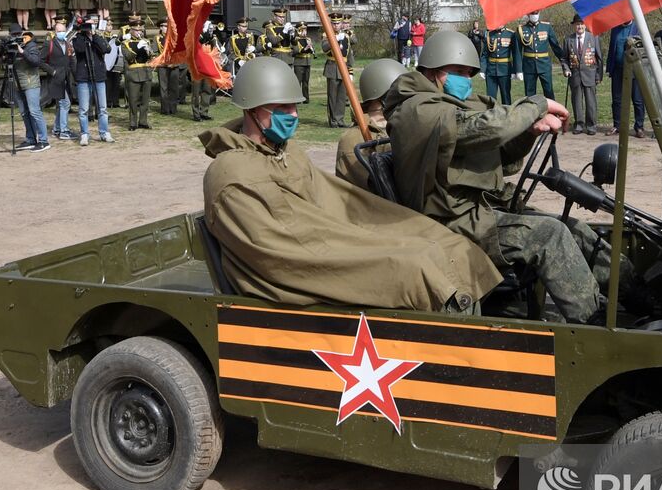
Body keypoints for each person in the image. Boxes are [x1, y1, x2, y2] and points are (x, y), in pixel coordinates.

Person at [203, 57, 500, 312]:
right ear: (251, 110)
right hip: (296, 266)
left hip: (328, 239)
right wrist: (364, 250)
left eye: (294, 107)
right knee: (416, 266)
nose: (293, 116)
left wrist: (387, 232)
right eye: (281, 108)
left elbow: (334, 201)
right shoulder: (230, 174)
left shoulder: (289, 153)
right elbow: (273, 252)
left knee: (445, 242)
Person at [382, 32, 624, 324]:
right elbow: (489, 128)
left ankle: (643, 297)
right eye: (458, 73)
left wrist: (529, 132)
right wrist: (536, 105)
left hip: (475, 210)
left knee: (574, 229)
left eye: (469, 74)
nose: (466, 80)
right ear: (433, 72)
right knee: (550, 234)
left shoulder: (445, 104)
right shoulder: (417, 111)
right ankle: (596, 328)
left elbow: (501, 158)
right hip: (448, 221)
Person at [335, 58, 406, 189]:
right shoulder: (354, 139)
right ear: (385, 98)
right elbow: (376, 186)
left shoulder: (405, 126)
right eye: (400, 95)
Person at [5, 26, 49, 152]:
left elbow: (36, 61)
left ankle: (43, 141)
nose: (16, 36)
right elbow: (4, 64)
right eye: (13, 34)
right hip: (18, 84)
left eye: (18, 34)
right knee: (24, 112)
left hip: (31, 84)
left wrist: (22, 51)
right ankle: (30, 139)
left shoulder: (31, 46)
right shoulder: (10, 45)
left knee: (35, 111)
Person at [71, 17, 113, 146]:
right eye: (87, 26)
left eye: (90, 26)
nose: (88, 28)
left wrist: (94, 35)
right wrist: (83, 34)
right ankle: (84, 134)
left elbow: (106, 49)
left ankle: (104, 132)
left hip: (99, 76)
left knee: (102, 108)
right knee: (83, 109)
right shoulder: (77, 38)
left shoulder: (97, 37)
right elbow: (80, 49)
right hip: (84, 77)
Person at [606, 19, 647, 138]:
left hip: (634, 70)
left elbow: (643, 49)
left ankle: (639, 127)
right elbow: (611, 49)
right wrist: (609, 68)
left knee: (638, 100)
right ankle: (617, 125)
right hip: (618, 70)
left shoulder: (638, 27)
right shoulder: (615, 28)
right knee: (617, 100)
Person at [564, 16, 602, 135]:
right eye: (577, 24)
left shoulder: (593, 37)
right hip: (575, 75)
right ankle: (579, 124)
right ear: (573, 26)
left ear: (585, 25)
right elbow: (563, 58)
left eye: (581, 24)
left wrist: (598, 75)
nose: (579, 26)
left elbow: (599, 58)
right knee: (576, 101)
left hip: (590, 74)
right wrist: (566, 69)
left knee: (591, 102)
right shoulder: (568, 40)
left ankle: (591, 126)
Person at [517, 12, 563, 100]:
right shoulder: (521, 29)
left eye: (536, 13)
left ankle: (551, 113)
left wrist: (564, 60)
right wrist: (518, 70)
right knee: (529, 94)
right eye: (532, 13)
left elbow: (555, 46)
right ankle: (531, 113)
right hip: (529, 66)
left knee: (549, 92)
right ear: (527, 15)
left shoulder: (546, 27)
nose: (534, 15)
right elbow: (518, 51)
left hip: (544, 65)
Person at [44, 20, 75, 140]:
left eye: (63, 31)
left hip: (65, 78)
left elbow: (71, 60)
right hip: (56, 79)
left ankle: (57, 128)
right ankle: (64, 130)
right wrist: (52, 71)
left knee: (61, 104)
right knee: (64, 103)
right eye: (59, 31)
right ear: (55, 32)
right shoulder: (49, 44)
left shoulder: (68, 44)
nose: (61, 33)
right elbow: (41, 61)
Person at [123, 16, 155, 131]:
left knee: (145, 100)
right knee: (133, 100)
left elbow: (151, 56)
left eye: (141, 30)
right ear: (131, 30)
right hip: (134, 73)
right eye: (136, 30)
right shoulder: (126, 43)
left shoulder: (145, 41)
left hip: (146, 72)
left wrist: (148, 50)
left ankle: (143, 121)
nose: (139, 32)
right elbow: (129, 57)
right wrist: (137, 48)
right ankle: (132, 122)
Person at [323, 17, 355, 128]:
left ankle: (339, 119)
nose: (336, 25)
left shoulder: (346, 36)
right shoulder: (326, 34)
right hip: (332, 67)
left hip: (344, 68)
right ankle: (332, 121)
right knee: (332, 96)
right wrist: (334, 39)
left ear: (341, 24)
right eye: (334, 23)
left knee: (341, 96)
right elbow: (324, 48)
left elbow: (348, 54)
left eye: (338, 23)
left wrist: (350, 70)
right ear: (330, 24)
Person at [483, 24, 518, 102]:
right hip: (491, 71)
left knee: (506, 96)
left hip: (505, 70)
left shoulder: (511, 34)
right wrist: (482, 69)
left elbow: (515, 54)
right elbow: (485, 54)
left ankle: (506, 113)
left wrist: (514, 70)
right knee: (490, 97)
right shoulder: (489, 34)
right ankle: (491, 113)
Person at [191, 23, 218, 122]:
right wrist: (204, 35)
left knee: (207, 90)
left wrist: (211, 36)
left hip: (207, 66)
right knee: (196, 92)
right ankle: (196, 113)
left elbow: (214, 48)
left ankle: (204, 112)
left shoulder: (210, 36)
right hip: (197, 67)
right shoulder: (195, 35)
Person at [289, 24, 315, 103]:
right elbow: (294, 52)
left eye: (305, 30)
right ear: (299, 31)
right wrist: (304, 49)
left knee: (306, 82)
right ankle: (297, 98)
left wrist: (311, 49)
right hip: (299, 62)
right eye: (303, 30)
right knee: (298, 81)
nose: (305, 32)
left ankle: (306, 98)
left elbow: (312, 50)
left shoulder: (308, 39)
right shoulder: (295, 40)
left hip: (307, 62)